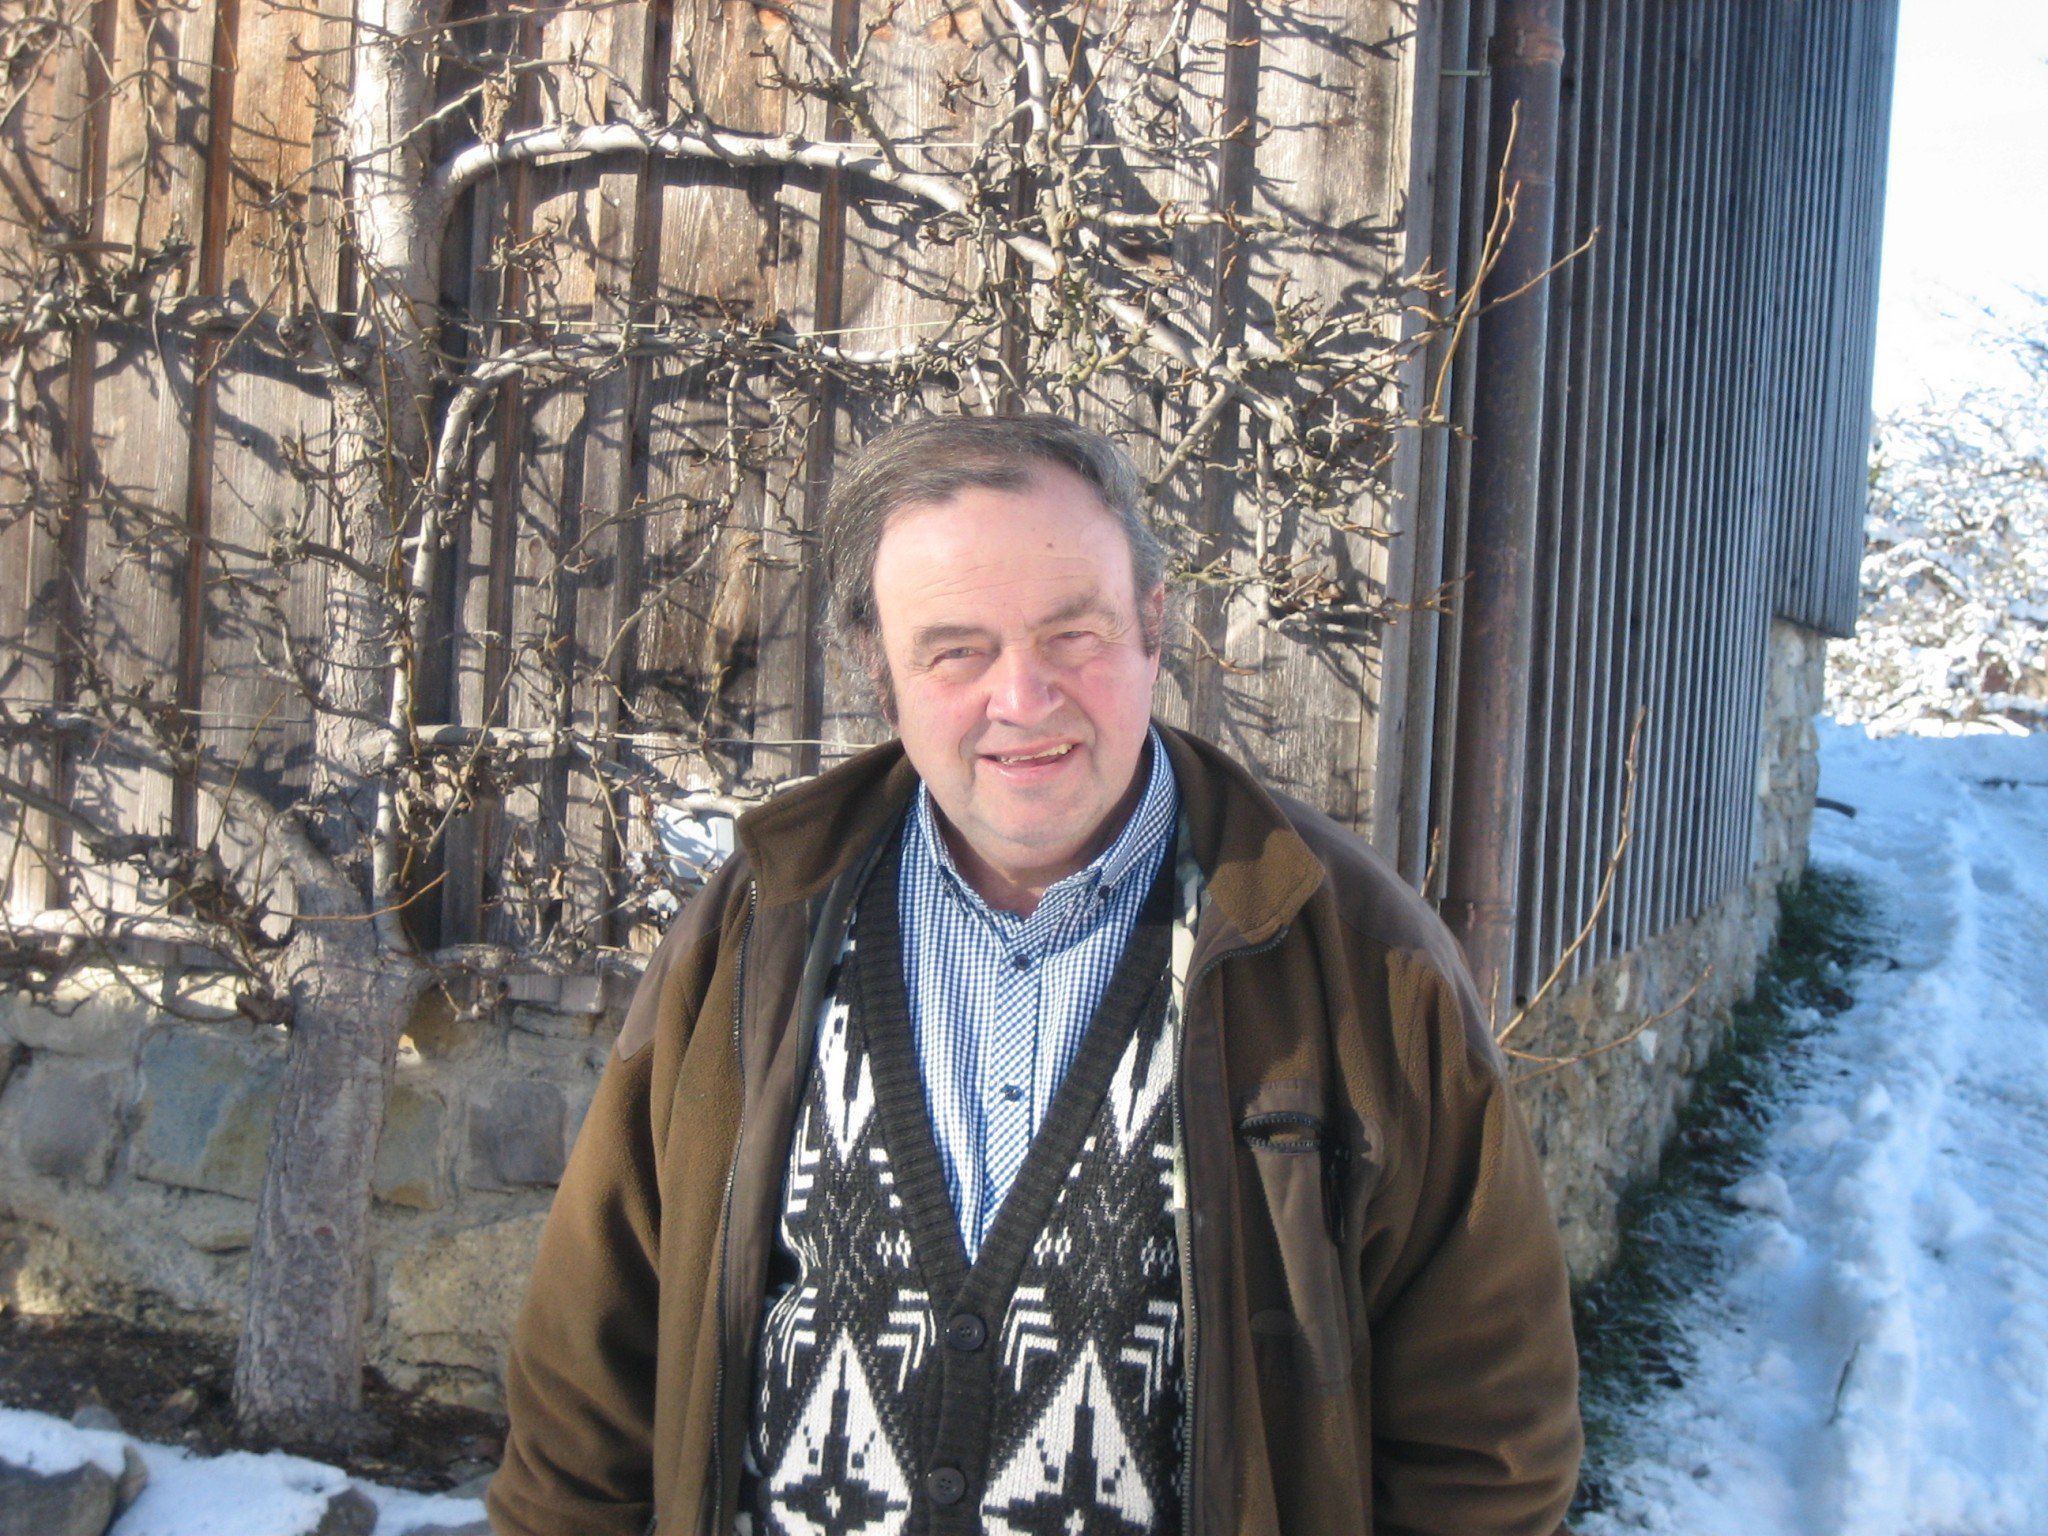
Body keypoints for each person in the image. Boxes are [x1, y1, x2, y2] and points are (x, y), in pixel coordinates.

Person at [486, 413, 1582, 1536]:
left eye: (1073, 637)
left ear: (1152, 626)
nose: (1023, 700)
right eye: (956, 649)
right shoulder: (757, 926)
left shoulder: (1355, 962)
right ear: (879, 666)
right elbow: (587, 1403)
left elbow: (1484, 1451)